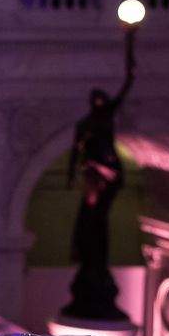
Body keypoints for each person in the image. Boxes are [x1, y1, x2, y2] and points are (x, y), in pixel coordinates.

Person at [62, 28, 138, 320]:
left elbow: (129, 82)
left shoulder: (106, 116)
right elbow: (75, 151)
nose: (98, 104)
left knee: (98, 220)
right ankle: (91, 264)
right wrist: (72, 176)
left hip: (108, 174)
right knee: (90, 220)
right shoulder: (85, 124)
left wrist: (131, 42)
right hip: (93, 175)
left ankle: (96, 265)